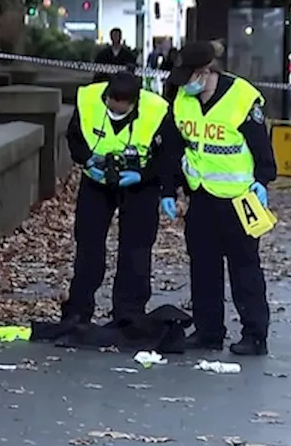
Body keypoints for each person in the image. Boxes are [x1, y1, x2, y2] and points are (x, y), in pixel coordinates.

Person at [159, 41, 275, 355]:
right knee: (204, 268)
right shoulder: (183, 99)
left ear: (206, 72)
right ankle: (208, 332)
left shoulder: (242, 98)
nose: (186, 85)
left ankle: (254, 335)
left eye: (191, 77)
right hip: (201, 197)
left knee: (245, 269)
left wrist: (263, 180)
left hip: (240, 199)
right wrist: (168, 190)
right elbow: (173, 148)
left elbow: (262, 148)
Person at [61, 72, 178, 326]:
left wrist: (147, 177)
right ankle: (78, 309)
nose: (114, 111)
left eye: (121, 109)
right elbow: (74, 136)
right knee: (88, 246)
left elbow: (168, 156)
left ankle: (129, 312)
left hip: (140, 185)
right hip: (96, 182)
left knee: (136, 249)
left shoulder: (157, 111)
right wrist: (87, 160)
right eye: (111, 107)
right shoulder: (89, 99)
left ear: (134, 103)